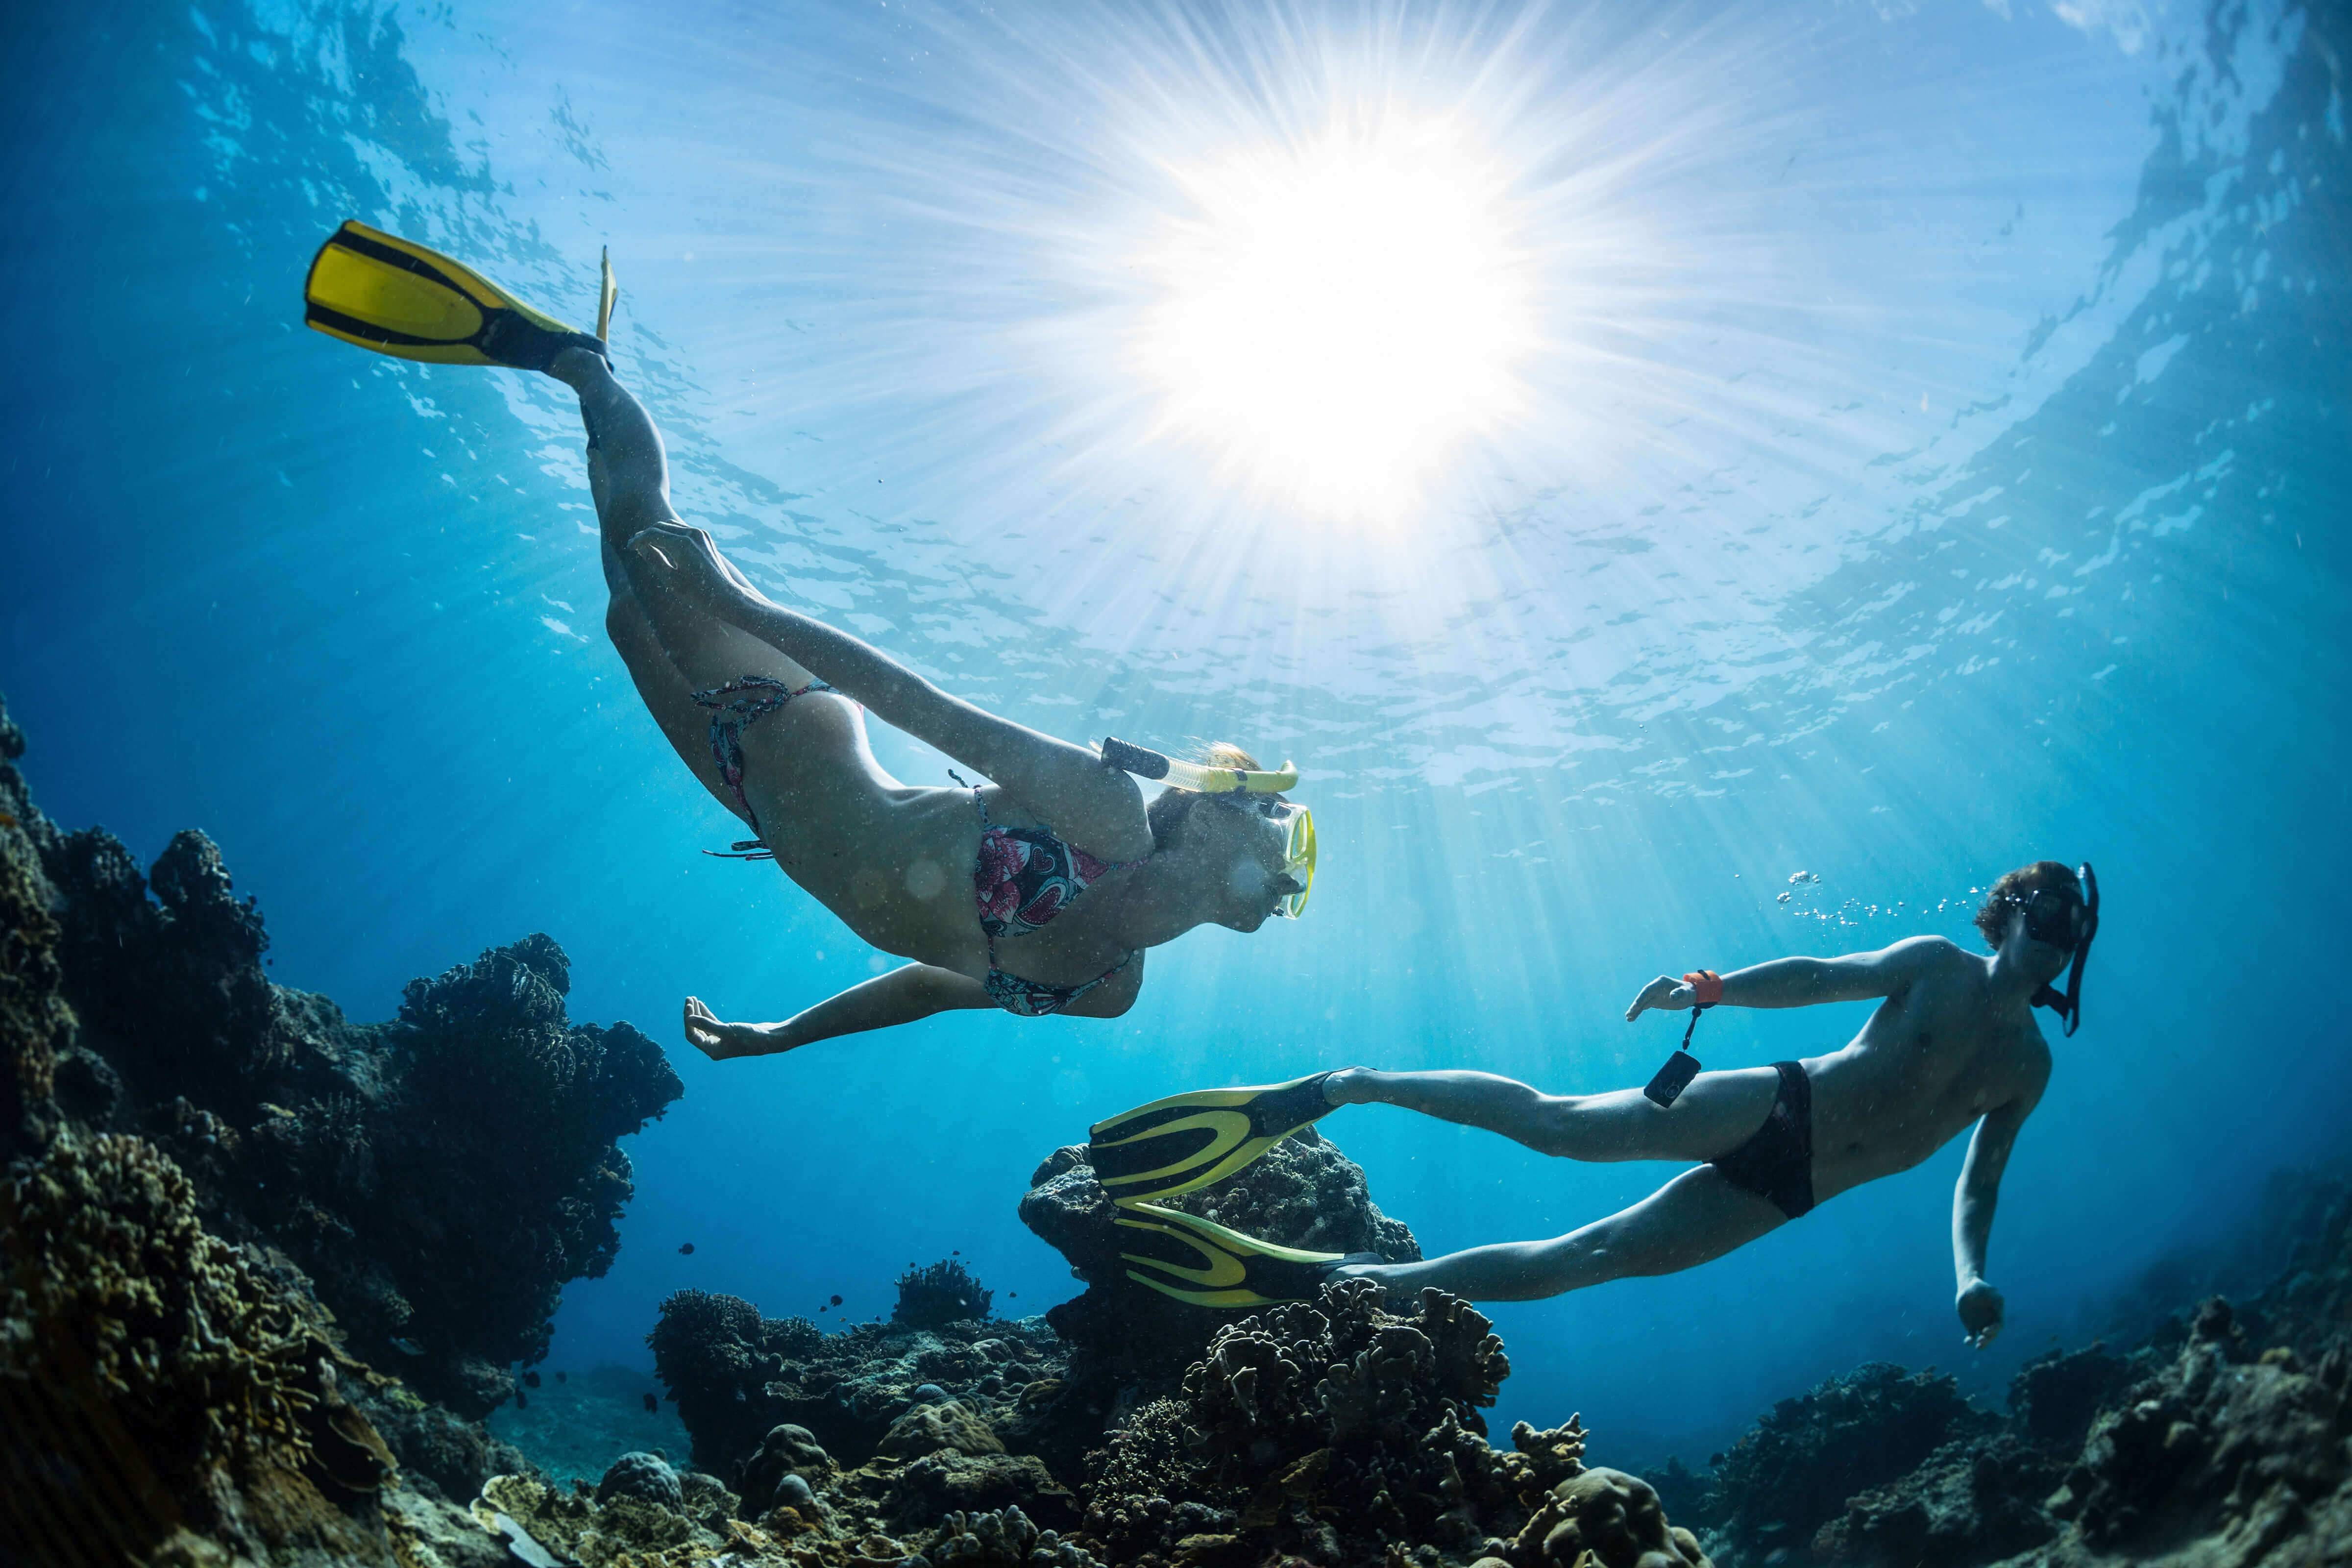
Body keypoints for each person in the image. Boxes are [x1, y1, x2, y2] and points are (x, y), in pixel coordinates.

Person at [300, 221, 1314, 1054]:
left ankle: (595, 408)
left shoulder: (1111, 991)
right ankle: (582, 368)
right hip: (787, 727)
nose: (1290, 876)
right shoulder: (1108, 813)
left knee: (621, 598)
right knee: (647, 535)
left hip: (759, 802)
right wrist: (737, 608)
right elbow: (919, 705)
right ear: (1214, 806)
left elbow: (928, 988)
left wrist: (774, 1037)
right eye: (1281, 826)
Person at [1090, 861, 2099, 1349]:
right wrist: (1713, 987)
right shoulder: (1936, 966)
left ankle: (1352, 1285)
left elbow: (1980, 1182)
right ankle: (1346, 1086)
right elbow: (1820, 974)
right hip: (1776, 1108)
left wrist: (1971, 1275)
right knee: (1562, 1127)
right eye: (2044, 913)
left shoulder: (2028, 1069)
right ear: (2010, 911)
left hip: (1799, 1187)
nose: (2054, 936)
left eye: (2073, 928)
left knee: (1588, 1263)